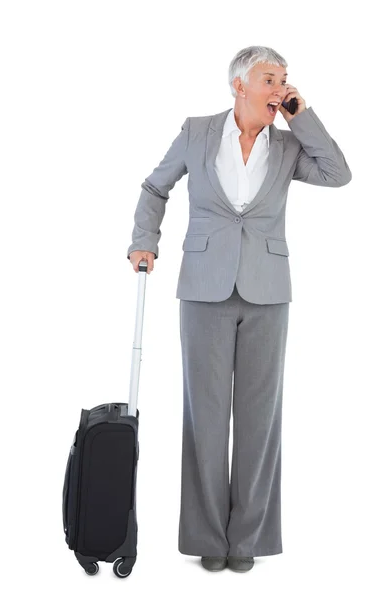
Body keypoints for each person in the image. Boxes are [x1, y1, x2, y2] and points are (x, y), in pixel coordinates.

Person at [127, 45, 352, 573]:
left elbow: (339, 172)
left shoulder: (290, 145)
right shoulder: (197, 131)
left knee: (260, 418)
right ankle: (208, 535)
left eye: (285, 80)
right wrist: (145, 240)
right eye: (270, 79)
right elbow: (155, 187)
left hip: (268, 290)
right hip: (203, 287)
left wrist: (304, 116)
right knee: (204, 416)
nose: (280, 88)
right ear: (240, 85)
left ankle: (246, 535)